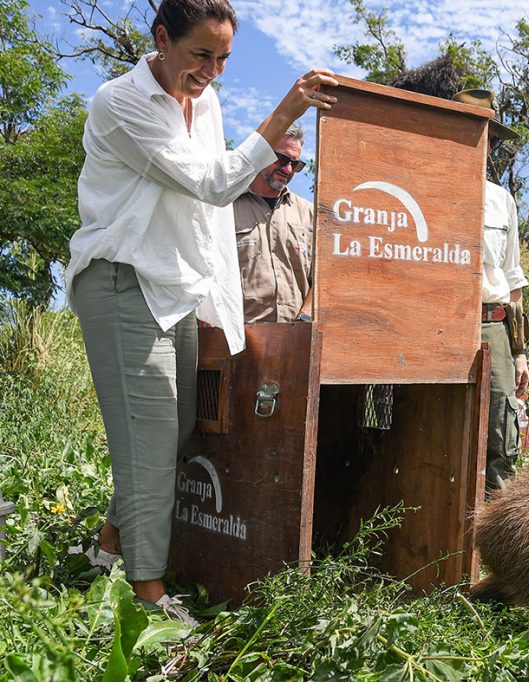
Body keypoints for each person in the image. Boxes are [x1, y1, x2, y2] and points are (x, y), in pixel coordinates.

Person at [64, 0, 337, 623]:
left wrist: (219, 302)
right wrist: (286, 113)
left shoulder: (205, 103)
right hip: (121, 282)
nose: (212, 71)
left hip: (177, 287)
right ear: (162, 39)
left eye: (223, 59)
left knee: (185, 428)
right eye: (200, 55)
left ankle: (110, 541)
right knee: (155, 439)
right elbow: (216, 185)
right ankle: (145, 594)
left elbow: (205, 215)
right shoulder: (120, 103)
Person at [451, 89, 529, 491]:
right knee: (442, 431)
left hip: (492, 327)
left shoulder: (503, 202)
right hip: (443, 325)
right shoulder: (431, 189)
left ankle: (500, 548)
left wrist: (519, 353)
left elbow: (513, 282)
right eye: (473, 132)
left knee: (501, 436)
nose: (484, 144)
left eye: (490, 138)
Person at [234, 124, 315, 323]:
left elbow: (325, 275)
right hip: (238, 339)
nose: (287, 169)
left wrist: (306, 315)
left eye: (295, 164)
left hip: (296, 337)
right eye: (282, 159)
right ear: (260, 153)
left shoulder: (309, 213)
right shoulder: (225, 207)